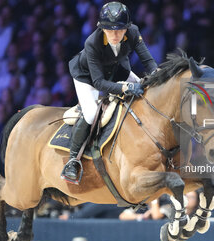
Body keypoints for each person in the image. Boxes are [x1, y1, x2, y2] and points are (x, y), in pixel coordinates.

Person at [62, 2, 158, 183]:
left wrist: (158, 76)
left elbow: (148, 61)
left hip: (117, 71)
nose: (115, 35)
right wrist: (126, 88)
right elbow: (99, 83)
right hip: (87, 78)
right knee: (91, 115)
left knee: (147, 96)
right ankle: (73, 161)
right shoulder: (92, 42)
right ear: (102, 28)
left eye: (120, 30)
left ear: (127, 28)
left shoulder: (133, 32)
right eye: (109, 30)